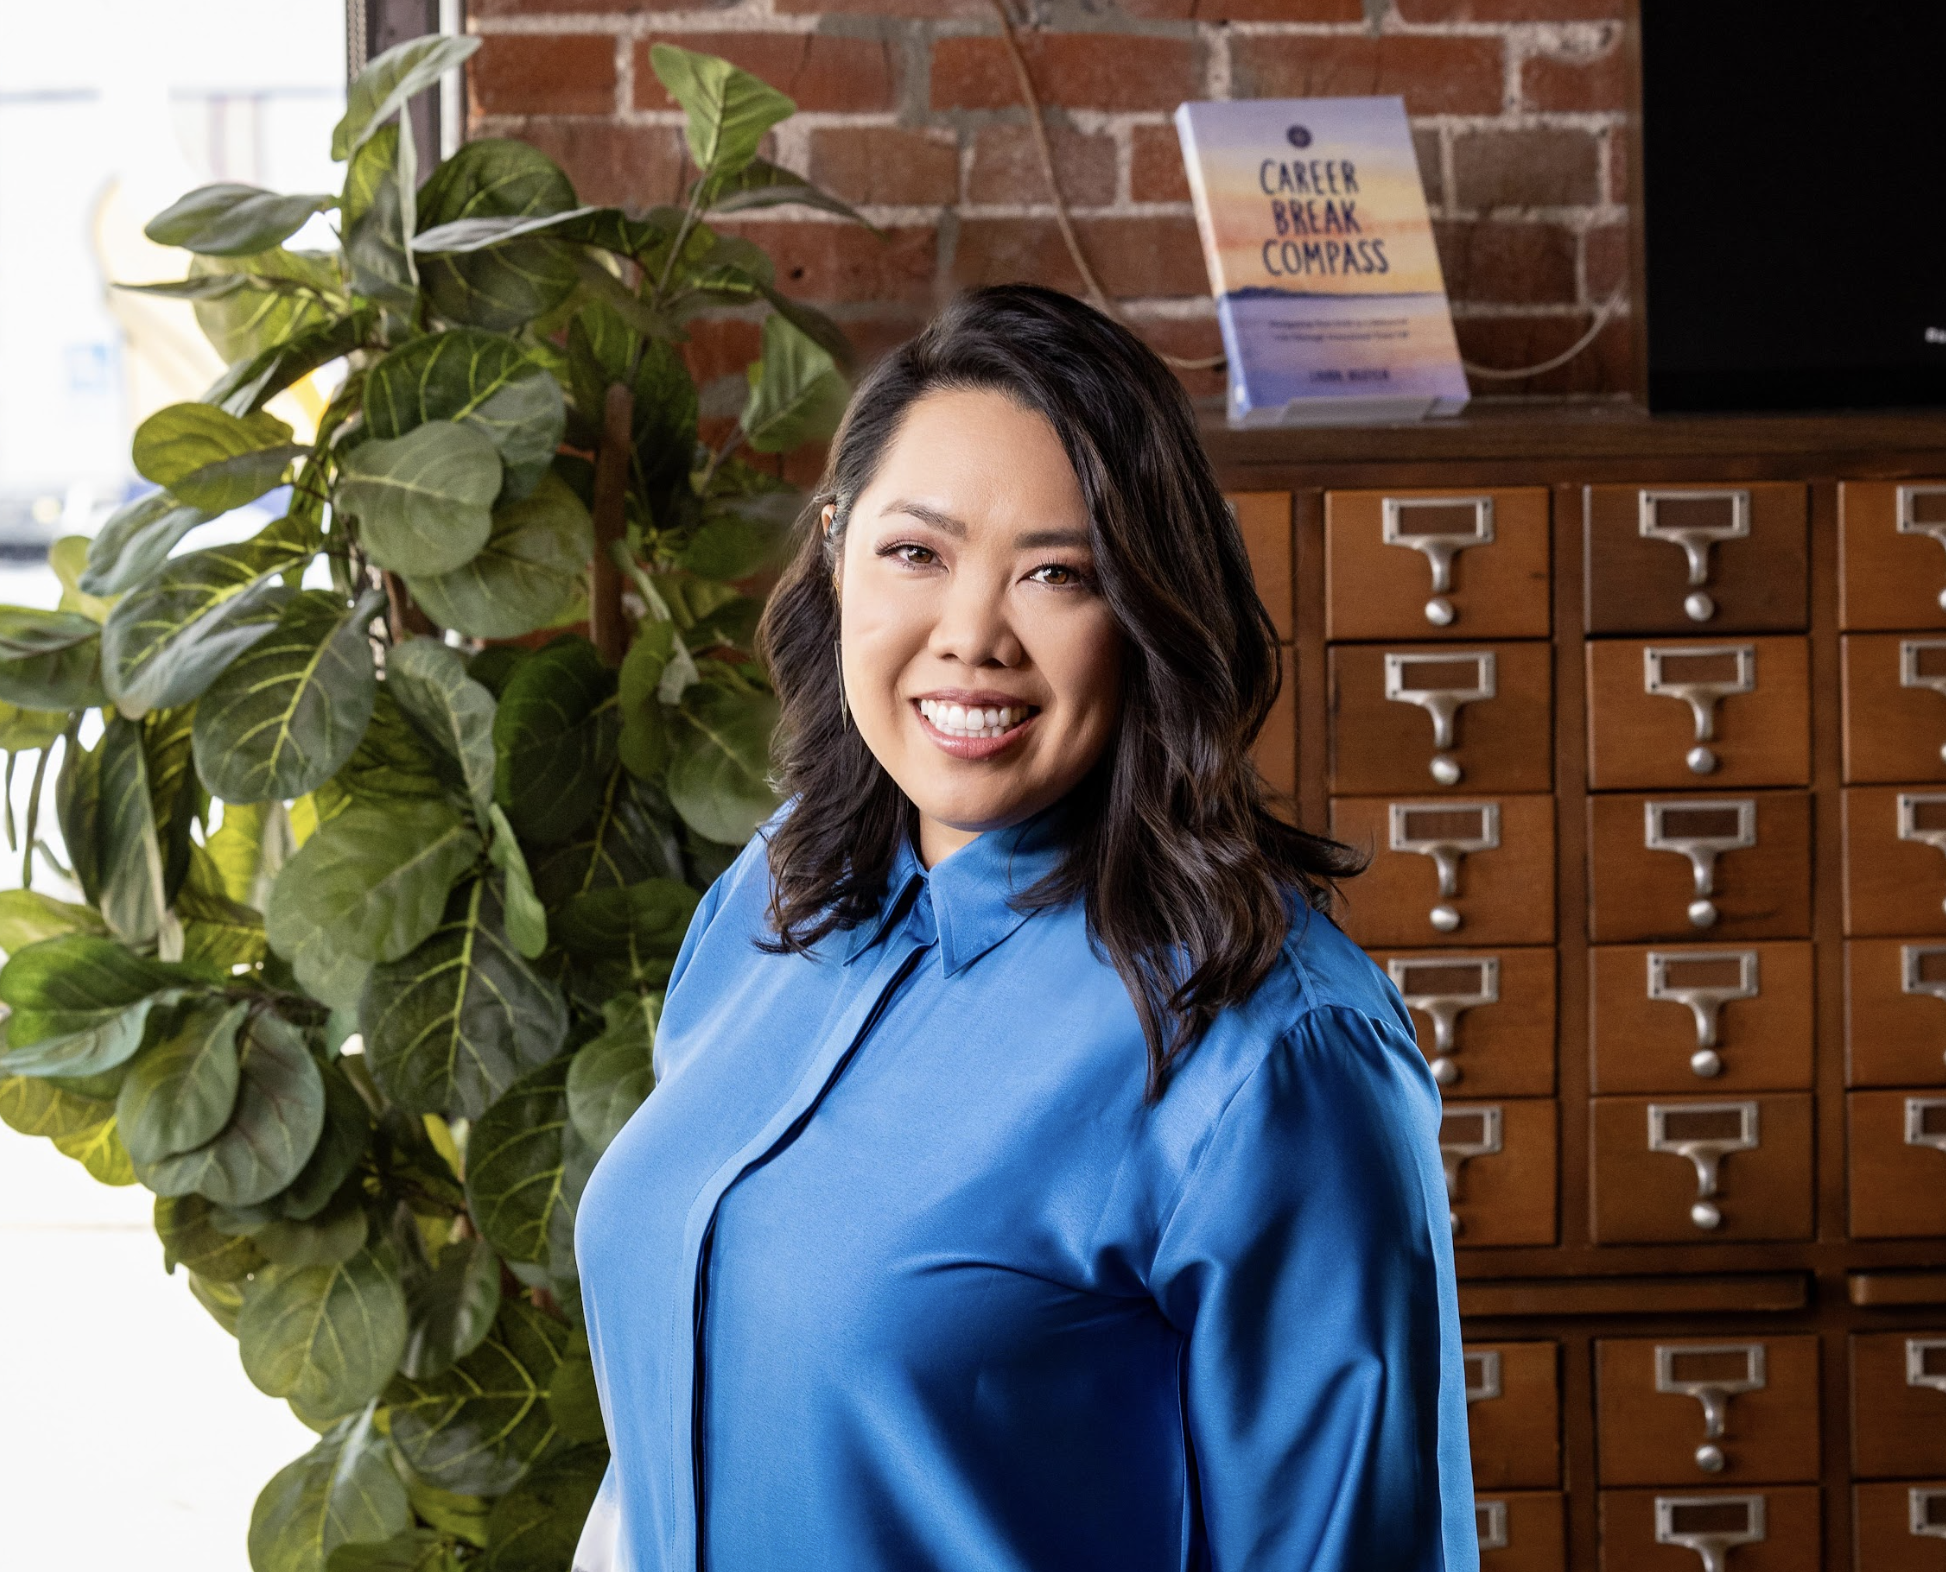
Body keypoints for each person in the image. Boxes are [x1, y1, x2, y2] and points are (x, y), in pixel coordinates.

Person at [572, 283, 1477, 1572]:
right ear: (835, 554)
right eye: (916, 553)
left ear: (1151, 610)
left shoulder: (1274, 1053)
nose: (972, 637)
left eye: (1058, 573)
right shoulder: (773, 901)